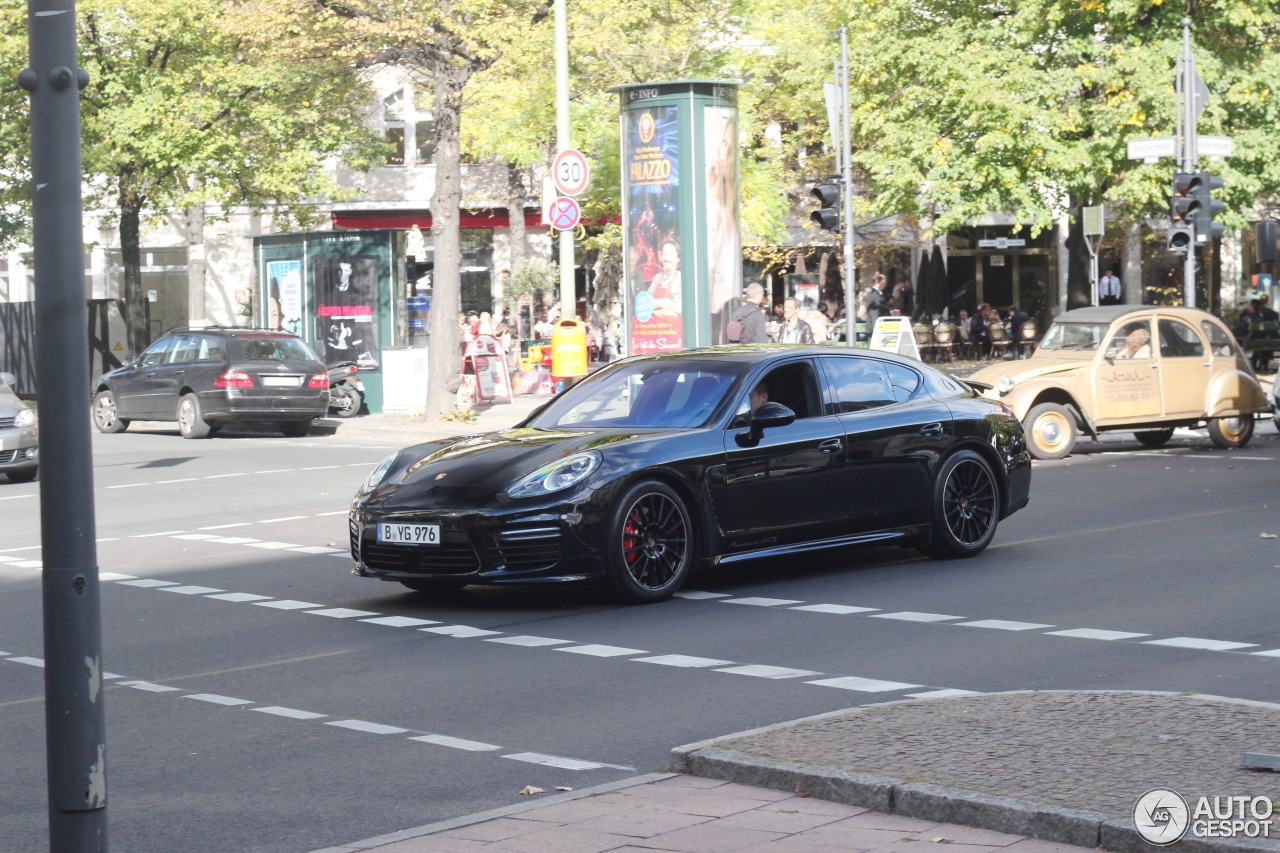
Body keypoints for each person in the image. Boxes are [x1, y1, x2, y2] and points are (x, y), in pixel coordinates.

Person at [646, 237, 682, 317]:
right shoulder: (656, 278)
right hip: (654, 328)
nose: (666, 258)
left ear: (678, 258)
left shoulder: (681, 279)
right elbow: (646, 305)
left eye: (670, 254)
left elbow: (676, 312)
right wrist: (663, 303)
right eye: (664, 254)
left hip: (674, 328)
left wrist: (654, 313)